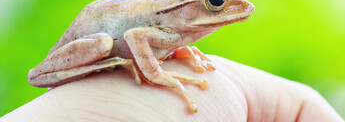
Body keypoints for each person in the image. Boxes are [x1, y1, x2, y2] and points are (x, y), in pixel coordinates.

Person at [1, 55, 343, 121]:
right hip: (99, 40)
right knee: (107, 40)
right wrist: (161, 76)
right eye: (215, 2)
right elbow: (135, 37)